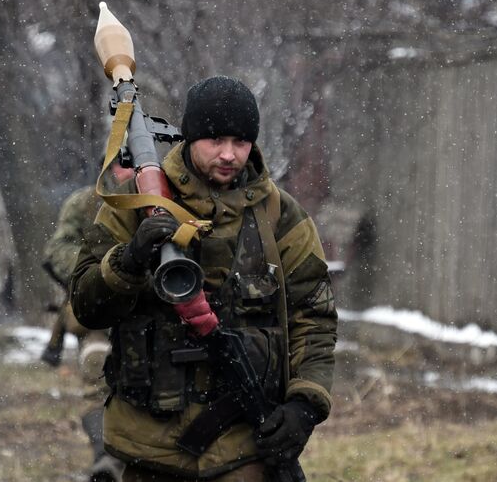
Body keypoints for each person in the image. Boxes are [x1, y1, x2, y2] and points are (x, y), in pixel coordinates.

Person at [70, 76, 337, 481]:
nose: (229, 154)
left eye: (241, 142)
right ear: (189, 137)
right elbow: (86, 305)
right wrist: (130, 259)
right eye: (215, 140)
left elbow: (314, 318)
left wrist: (305, 404)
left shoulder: (280, 216)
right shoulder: (137, 203)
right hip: (149, 448)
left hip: (245, 448)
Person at [41, 160, 134, 482]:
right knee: (98, 374)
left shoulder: (163, 200)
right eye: (124, 164)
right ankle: (106, 460)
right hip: (98, 315)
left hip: (150, 313)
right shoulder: (87, 203)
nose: (130, 171)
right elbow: (57, 249)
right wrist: (97, 272)